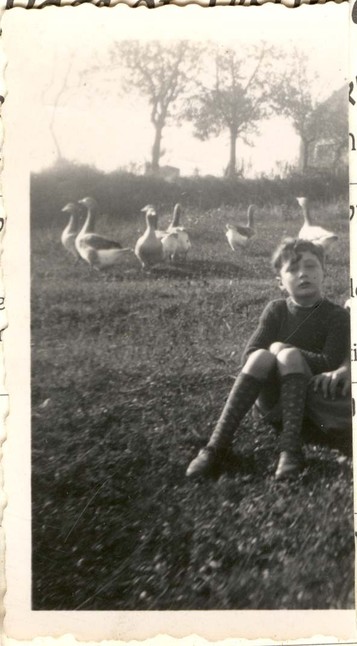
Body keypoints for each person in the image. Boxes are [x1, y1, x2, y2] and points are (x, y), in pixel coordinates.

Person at [186, 238, 350, 481]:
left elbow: (328, 362)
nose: (303, 274)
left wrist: (286, 350)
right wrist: (278, 352)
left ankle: (291, 450)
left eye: (311, 266)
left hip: (311, 402)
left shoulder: (336, 316)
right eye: (292, 269)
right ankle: (216, 446)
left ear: (324, 272)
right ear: (280, 282)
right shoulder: (276, 310)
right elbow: (249, 355)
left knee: (287, 353)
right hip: (272, 401)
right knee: (261, 355)